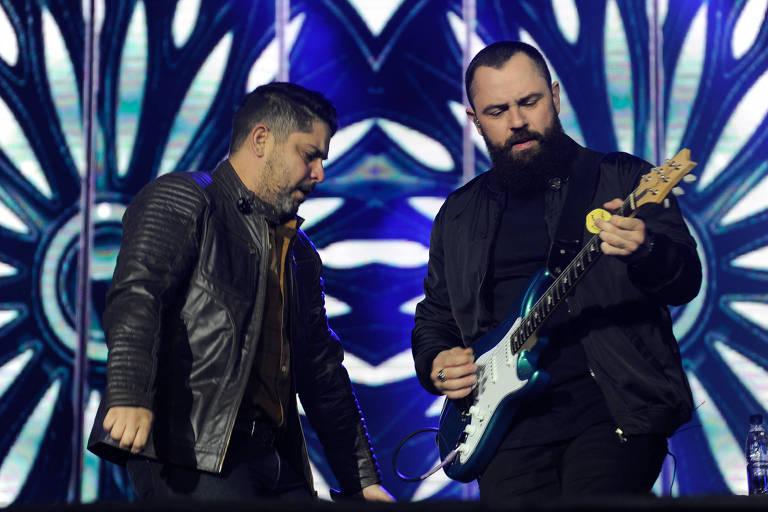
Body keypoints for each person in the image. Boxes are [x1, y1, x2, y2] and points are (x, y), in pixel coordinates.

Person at [411, 41, 701, 502]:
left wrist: (645, 250)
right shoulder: (459, 214)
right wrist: (435, 363)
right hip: (503, 429)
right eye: (497, 111)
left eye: (529, 102)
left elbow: (686, 279)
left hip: (613, 413)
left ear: (556, 97)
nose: (517, 121)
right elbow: (436, 315)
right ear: (475, 120)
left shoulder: (622, 179)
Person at [88, 82, 393, 502]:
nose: (319, 173)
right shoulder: (186, 198)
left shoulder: (298, 252)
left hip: (274, 457)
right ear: (261, 139)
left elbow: (321, 369)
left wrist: (362, 479)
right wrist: (128, 392)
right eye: (310, 155)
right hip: (192, 450)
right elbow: (138, 297)